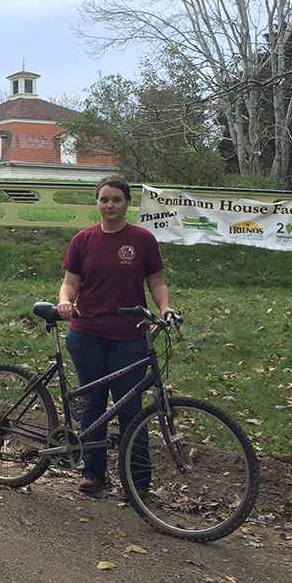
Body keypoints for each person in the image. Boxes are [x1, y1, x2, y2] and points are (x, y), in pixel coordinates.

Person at [56, 174, 174, 496]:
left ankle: (137, 482)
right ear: (97, 203)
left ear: (127, 203)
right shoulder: (82, 240)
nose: (110, 205)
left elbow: (157, 282)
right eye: (104, 199)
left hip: (131, 336)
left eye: (116, 199)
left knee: (130, 409)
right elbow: (71, 283)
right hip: (87, 334)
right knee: (93, 405)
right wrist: (66, 301)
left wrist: (165, 309)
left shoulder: (142, 240)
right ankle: (93, 473)